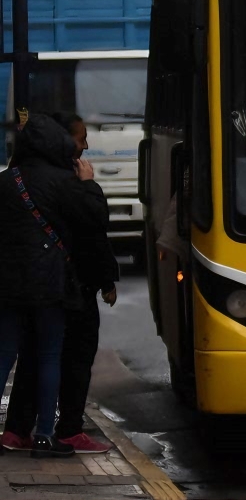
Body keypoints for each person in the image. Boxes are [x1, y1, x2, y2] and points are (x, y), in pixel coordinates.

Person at [3, 112, 118, 455]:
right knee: (57, 356)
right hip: (58, 285)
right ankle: (51, 434)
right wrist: (89, 185)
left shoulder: (7, 180)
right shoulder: (66, 182)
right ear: (60, 141)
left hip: (10, 286)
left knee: (12, 355)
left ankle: (15, 430)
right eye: (80, 139)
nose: (84, 146)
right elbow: (94, 224)